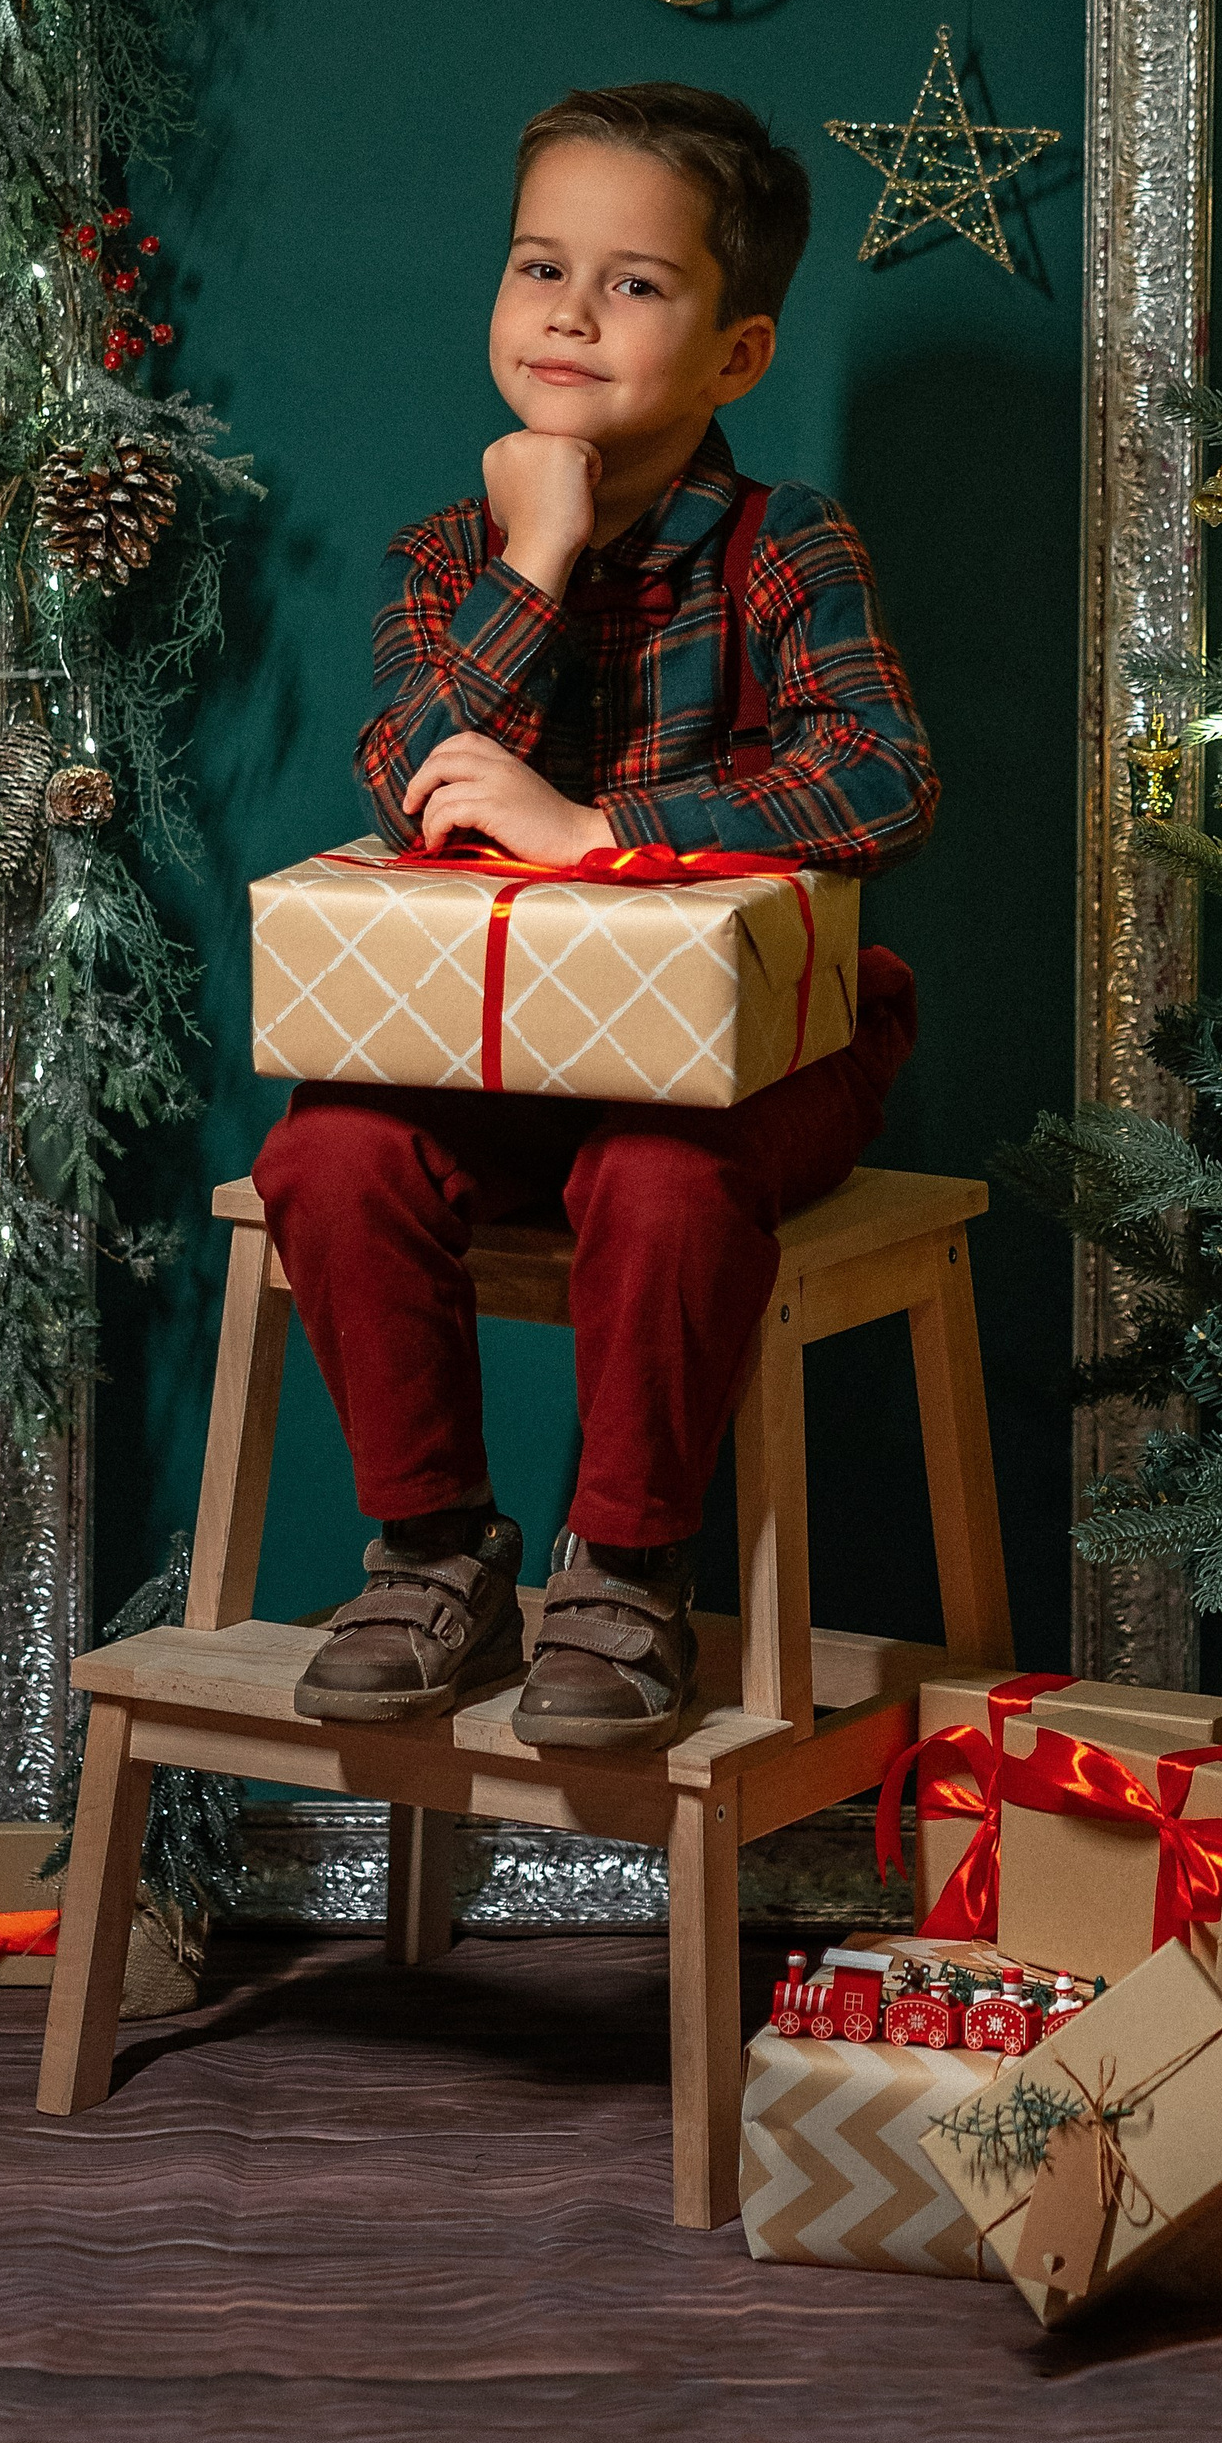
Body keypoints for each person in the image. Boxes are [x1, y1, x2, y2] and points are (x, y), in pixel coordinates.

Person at [255, 84, 938, 1751]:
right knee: (325, 1154)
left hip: (756, 1069)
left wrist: (599, 831)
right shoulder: (450, 560)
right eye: (538, 266)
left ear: (737, 354)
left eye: (634, 283)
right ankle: (433, 1549)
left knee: (659, 1174)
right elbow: (409, 779)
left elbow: (885, 782)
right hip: (496, 1064)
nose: (569, 310)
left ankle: (627, 1569)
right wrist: (540, 555)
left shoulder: (784, 549)